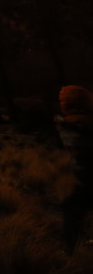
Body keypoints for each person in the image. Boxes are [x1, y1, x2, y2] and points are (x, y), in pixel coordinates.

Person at [56, 85, 93, 254]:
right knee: (72, 209)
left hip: (89, 179)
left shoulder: (77, 125)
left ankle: (70, 250)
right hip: (85, 179)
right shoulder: (72, 124)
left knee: (72, 210)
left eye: (64, 100)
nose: (61, 103)